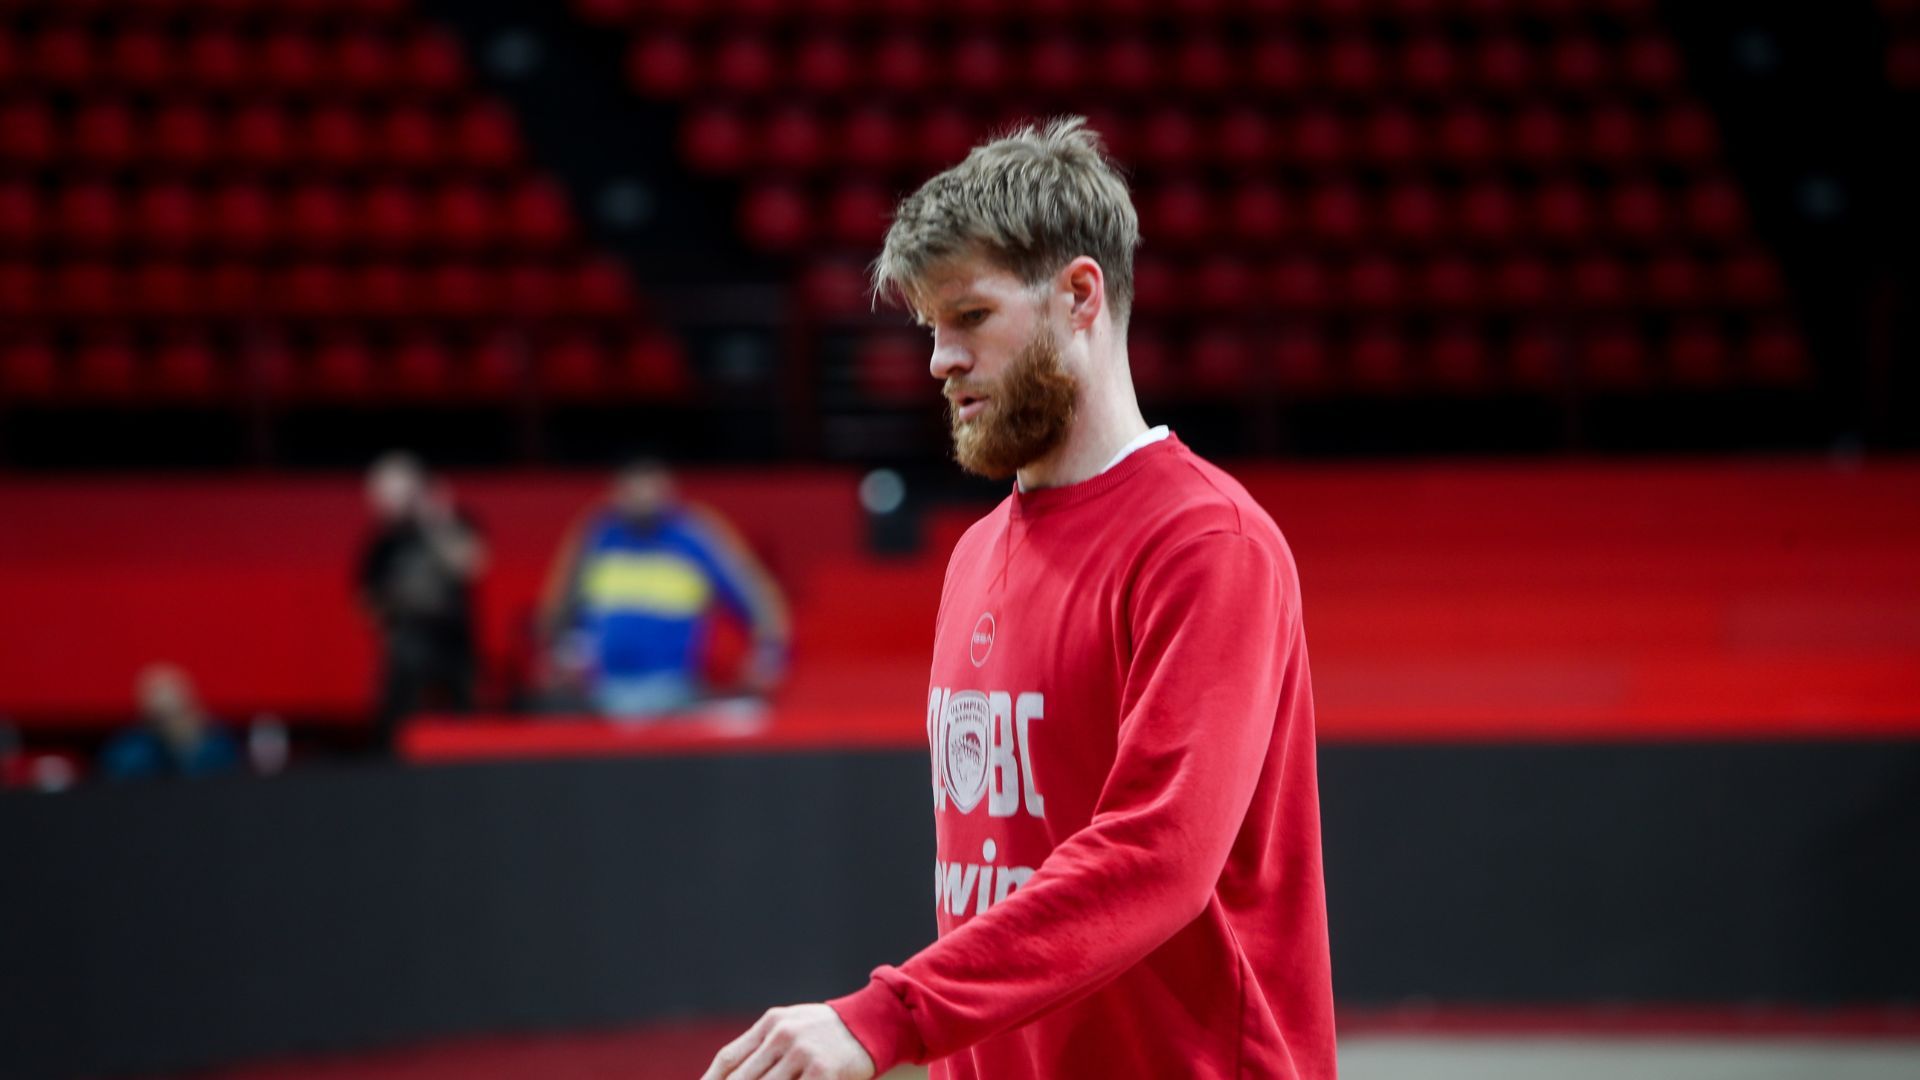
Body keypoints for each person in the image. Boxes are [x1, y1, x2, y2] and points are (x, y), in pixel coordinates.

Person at [705, 119, 1336, 1079]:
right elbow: (989, 887)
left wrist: (891, 1015)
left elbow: (1159, 856)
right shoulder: (976, 554)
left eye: (970, 316)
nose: (938, 359)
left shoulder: (1206, 543)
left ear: (1080, 295)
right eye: (931, 328)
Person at [536, 457, 789, 718]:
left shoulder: (695, 536)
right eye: (633, 489)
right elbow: (560, 611)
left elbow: (757, 599)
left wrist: (769, 654)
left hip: (676, 694)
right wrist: (561, 653)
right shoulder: (598, 536)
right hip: (603, 696)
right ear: (616, 492)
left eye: (651, 488)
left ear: (668, 489)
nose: (643, 498)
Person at [356, 451, 485, 751]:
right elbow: (365, 600)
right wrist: (393, 606)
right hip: (407, 646)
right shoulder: (384, 542)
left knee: (467, 724)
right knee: (399, 724)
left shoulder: (452, 525)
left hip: (454, 641)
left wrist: (436, 522)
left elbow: (472, 564)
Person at [99, 664, 241, 780]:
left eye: (179, 711)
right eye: (161, 717)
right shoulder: (130, 753)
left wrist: (188, 744)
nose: (165, 700)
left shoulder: (218, 745)